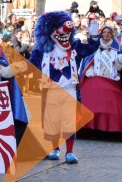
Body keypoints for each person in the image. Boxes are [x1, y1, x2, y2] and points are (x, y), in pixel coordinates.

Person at [29, 11, 99, 163]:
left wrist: (93, 36)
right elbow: (31, 65)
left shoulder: (74, 47)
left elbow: (90, 49)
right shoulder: (43, 50)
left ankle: (70, 152)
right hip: (51, 90)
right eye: (58, 28)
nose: (64, 31)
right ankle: (55, 149)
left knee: (69, 121)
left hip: (70, 89)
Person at [78, 25, 122, 132]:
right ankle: (88, 128)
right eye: (104, 32)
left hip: (111, 80)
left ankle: (110, 128)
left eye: (109, 32)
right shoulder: (94, 48)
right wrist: (89, 71)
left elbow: (118, 68)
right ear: (101, 34)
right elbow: (88, 62)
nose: (106, 34)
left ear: (112, 35)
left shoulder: (117, 50)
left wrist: (119, 61)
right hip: (96, 77)